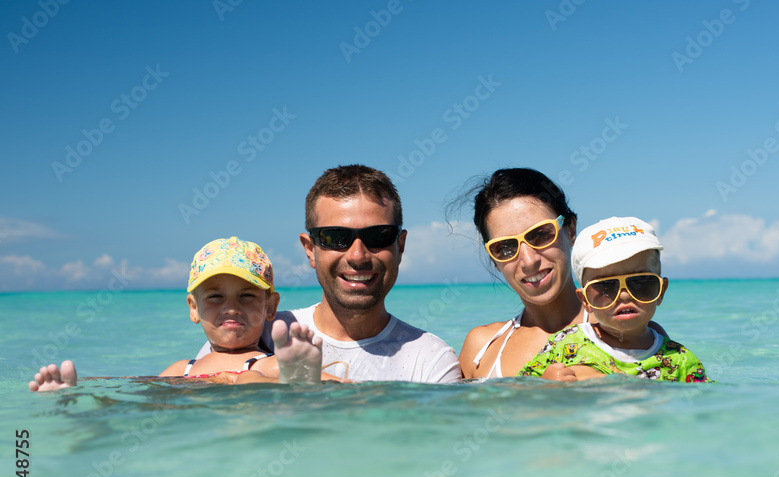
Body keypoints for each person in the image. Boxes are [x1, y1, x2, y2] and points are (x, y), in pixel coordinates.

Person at [218, 164, 461, 384]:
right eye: (335, 237)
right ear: (310, 250)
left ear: (400, 246)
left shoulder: (430, 360)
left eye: (378, 236)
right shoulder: (257, 331)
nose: (358, 256)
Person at [29, 237, 327, 391]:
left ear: (270, 306)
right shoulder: (181, 368)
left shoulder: (270, 362)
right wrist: (83, 389)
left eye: (247, 296)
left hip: (252, 421)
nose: (231, 307)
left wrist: (305, 379)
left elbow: (339, 384)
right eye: (215, 297)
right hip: (197, 440)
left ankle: (297, 390)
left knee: (251, 383)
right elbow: (136, 388)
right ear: (194, 309)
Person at [518, 217, 708, 382]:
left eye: (640, 282)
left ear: (661, 291)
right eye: (606, 286)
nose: (624, 295)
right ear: (585, 301)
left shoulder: (680, 359)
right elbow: (517, 390)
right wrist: (546, 384)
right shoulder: (565, 343)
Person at [457, 168, 588, 379]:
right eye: (506, 248)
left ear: (570, 230)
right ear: (494, 259)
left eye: (541, 234)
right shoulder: (482, 349)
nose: (529, 261)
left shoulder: (628, 331)